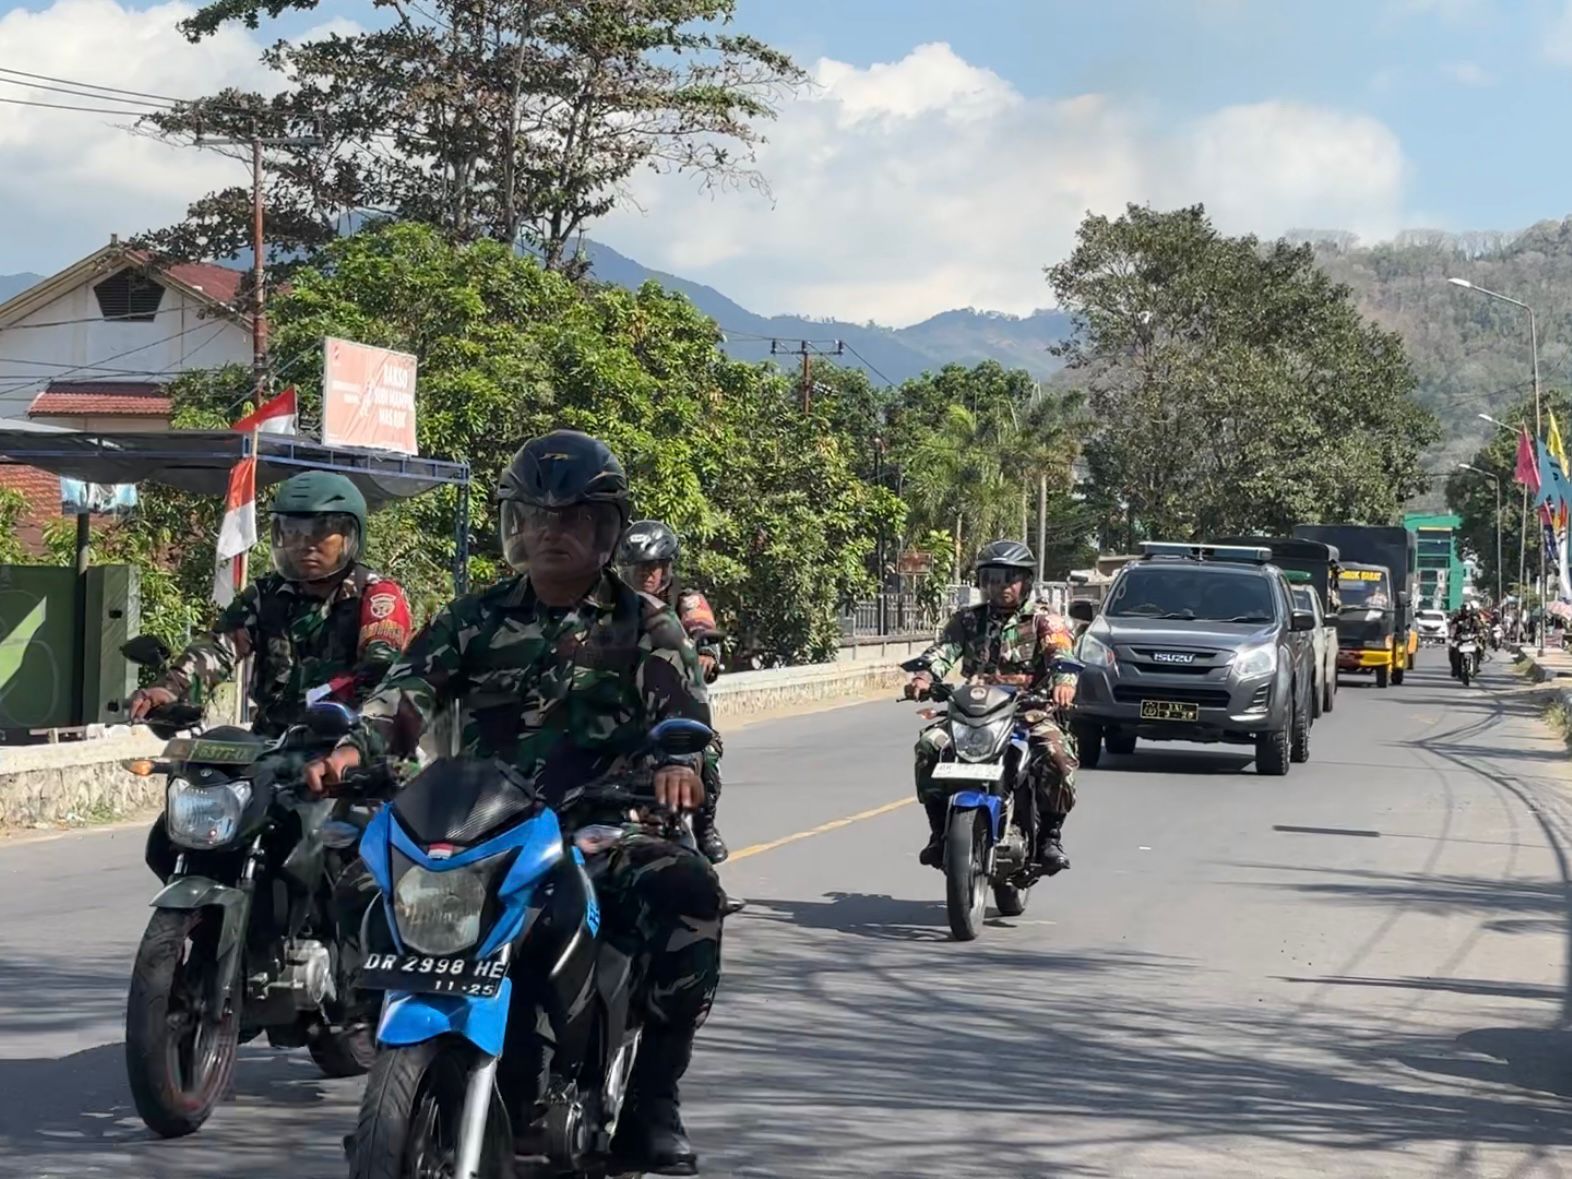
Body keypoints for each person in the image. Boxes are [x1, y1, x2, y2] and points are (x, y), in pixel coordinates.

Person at [304, 430, 721, 1176]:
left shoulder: (647, 625)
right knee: (357, 877)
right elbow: (406, 694)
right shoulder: (474, 618)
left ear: (606, 530)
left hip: (599, 827)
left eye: (572, 518)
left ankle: (655, 1098)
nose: (551, 531)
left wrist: (681, 763)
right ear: (514, 526)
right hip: (478, 826)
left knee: (689, 895)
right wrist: (351, 752)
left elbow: (683, 717)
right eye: (536, 515)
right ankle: (394, 1064)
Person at [129, 469, 412, 735]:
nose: (305, 543)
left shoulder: (375, 595)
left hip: (344, 743)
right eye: (293, 532)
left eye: (321, 531)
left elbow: (382, 664)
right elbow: (219, 647)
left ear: (350, 536)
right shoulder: (267, 594)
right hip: (271, 741)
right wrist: (171, 689)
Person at [904, 539, 1079, 873]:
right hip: (972, 713)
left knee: (1057, 756)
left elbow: (1062, 655)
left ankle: (1049, 837)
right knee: (928, 747)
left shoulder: (1045, 621)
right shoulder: (967, 620)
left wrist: (1064, 684)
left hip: (1029, 712)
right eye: (991, 579)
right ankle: (939, 833)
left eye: (1008, 578)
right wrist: (924, 678)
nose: (999, 587)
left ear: (1026, 581)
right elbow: (942, 652)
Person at [617, 519, 730, 864]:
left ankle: (705, 827)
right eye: (638, 567)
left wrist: (706, 656)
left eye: (653, 567)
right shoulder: (608, 606)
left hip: (673, 706)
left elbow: (703, 631)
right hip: (619, 708)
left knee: (705, 754)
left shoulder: (687, 601)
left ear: (667, 568)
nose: (645, 575)